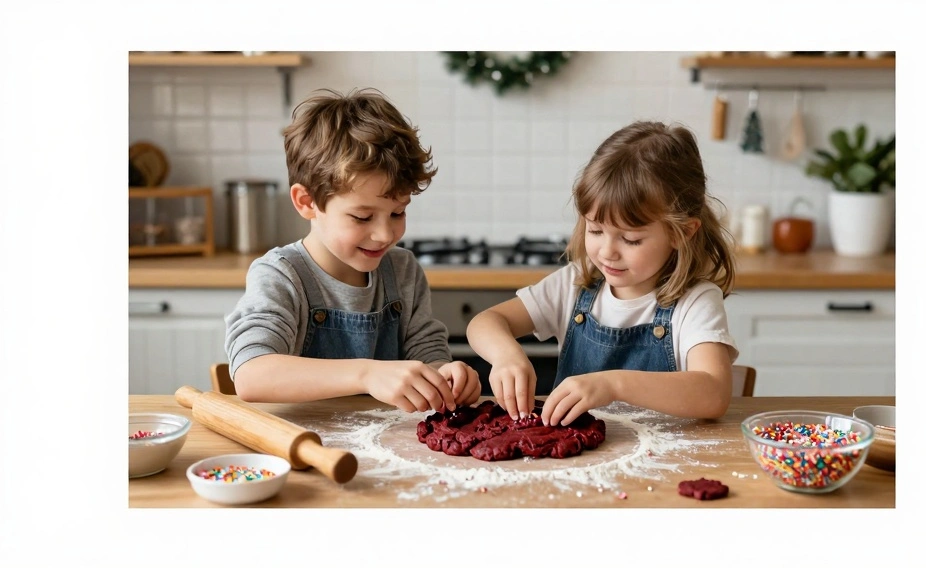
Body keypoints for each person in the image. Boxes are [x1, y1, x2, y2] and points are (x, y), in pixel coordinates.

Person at [466, 120, 739, 427]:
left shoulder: (696, 302)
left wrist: (613, 385)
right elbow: (484, 322)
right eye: (595, 230)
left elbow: (714, 394)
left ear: (682, 233)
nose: (608, 252)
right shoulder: (573, 284)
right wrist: (506, 356)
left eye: (630, 239)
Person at [224, 87, 481, 412]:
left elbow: (427, 353)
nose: (384, 234)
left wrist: (445, 376)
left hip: (387, 439)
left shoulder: (402, 271)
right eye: (362, 217)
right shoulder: (280, 275)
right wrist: (366, 374)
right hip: (302, 439)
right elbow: (251, 375)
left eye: (398, 213)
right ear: (307, 202)